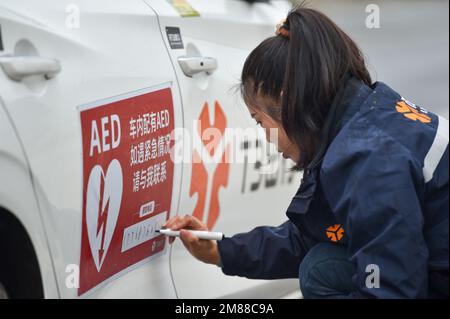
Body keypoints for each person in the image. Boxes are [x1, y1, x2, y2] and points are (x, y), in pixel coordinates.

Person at [163, 5, 449, 298]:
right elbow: (316, 235)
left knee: (319, 270)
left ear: (288, 106)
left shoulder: (369, 161)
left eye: (261, 122)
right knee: (321, 264)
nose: (267, 139)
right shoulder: (360, 119)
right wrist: (221, 250)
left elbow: (393, 288)